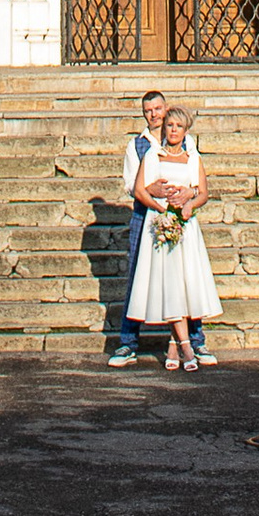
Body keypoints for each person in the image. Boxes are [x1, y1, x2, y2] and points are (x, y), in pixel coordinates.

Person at [126, 108, 222, 372]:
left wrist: (190, 204)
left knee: (185, 282)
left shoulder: (193, 158)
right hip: (160, 225)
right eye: (169, 125)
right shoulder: (153, 155)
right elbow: (139, 190)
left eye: (179, 126)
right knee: (168, 282)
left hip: (185, 228)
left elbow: (203, 193)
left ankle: (173, 343)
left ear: (186, 130)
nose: (173, 130)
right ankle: (186, 345)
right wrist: (159, 209)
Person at [108, 84, 174, 364]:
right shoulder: (137, 145)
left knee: (180, 277)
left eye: (158, 109)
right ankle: (128, 342)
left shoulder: (182, 139)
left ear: (166, 108)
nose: (154, 115)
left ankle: (192, 340)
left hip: (176, 214)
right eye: (148, 111)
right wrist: (151, 191)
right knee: (136, 275)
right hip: (143, 214)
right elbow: (130, 185)